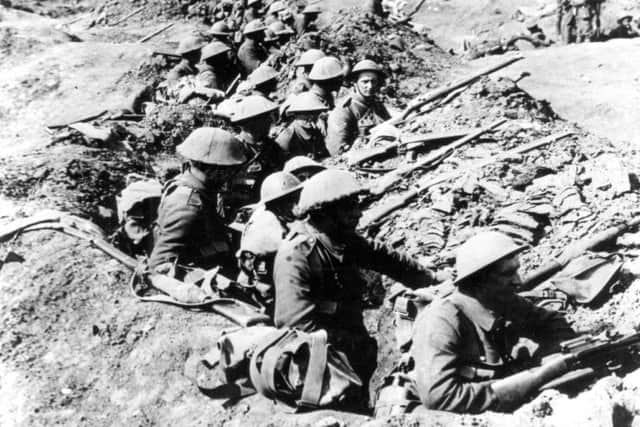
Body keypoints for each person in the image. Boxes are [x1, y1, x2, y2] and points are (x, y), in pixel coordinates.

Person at [273, 170, 451, 401]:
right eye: (348, 208)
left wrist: (435, 279)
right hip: (319, 363)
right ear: (323, 213)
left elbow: (388, 259)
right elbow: (295, 326)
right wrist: (348, 346)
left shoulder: (340, 238)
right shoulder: (297, 255)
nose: (358, 213)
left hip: (350, 343)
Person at [411, 231, 577, 414]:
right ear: (478, 280)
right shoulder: (441, 321)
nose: (518, 281)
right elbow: (440, 398)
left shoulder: (501, 301)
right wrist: (532, 378)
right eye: (507, 274)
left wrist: (552, 356)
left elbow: (551, 322)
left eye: (516, 270)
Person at [148, 128, 247, 278]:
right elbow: (160, 265)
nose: (232, 175)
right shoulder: (187, 205)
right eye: (230, 169)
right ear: (215, 169)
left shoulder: (200, 188)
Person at [236, 171, 302, 312]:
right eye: (292, 199)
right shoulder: (269, 224)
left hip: (257, 278)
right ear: (278, 203)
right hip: (262, 290)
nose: (297, 203)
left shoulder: (268, 213)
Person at [224, 95, 288, 216]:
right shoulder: (233, 149)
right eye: (265, 118)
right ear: (251, 124)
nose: (271, 121)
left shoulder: (272, 147)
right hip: (241, 212)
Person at [326, 59, 390, 155]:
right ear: (355, 83)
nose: (370, 86)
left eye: (374, 81)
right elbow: (337, 150)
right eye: (365, 82)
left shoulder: (377, 105)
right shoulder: (344, 110)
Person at [275, 91, 330, 160]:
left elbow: (324, 155)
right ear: (296, 115)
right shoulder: (287, 137)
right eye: (305, 114)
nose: (311, 117)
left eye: (314, 113)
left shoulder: (315, 132)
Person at [306, 56, 345, 135]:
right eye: (338, 78)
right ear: (327, 81)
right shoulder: (311, 103)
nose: (341, 81)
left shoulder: (327, 96)